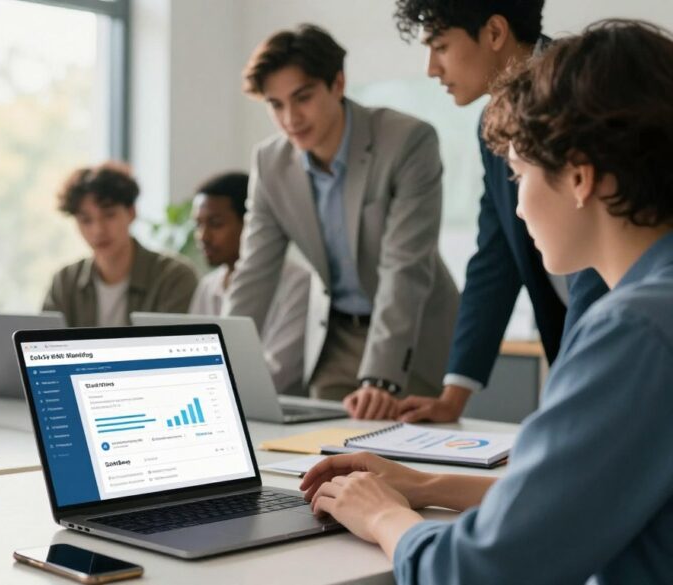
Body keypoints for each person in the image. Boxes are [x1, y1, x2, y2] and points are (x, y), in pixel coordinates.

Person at [301, 21, 673, 583]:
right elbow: (569, 502)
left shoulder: (634, 329)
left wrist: (381, 516)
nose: (517, 208)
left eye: (520, 174)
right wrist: (423, 485)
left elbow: (475, 570)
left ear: (578, 176)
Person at [373, 0, 609, 423]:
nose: (431, 68)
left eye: (440, 46)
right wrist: (452, 397)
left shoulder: (583, 90)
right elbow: (495, 256)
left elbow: (600, 250)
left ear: (495, 33)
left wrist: (575, 386)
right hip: (579, 354)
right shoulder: (494, 125)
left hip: (621, 344)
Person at [226, 24, 459, 412]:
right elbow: (254, 275)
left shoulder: (407, 141)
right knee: (324, 462)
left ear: (337, 83)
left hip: (413, 331)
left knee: (405, 457)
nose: (290, 118)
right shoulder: (270, 163)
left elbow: (405, 266)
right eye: (276, 104)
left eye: (302, 98)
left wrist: (380, 377)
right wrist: (216, 365)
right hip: (335, 336)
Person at [189, 171, 310, 394]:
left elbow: (278, 373)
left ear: (250, 226)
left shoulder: (297, 284)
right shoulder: (208, 286)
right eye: (198, 225)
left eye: (215, 224)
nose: (203, 236)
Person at [43, 162, 198, 327]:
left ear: (131, 213)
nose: (98, 230)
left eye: (109, 215)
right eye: (86, 220)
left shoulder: (173, 277)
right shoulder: (65, 281)